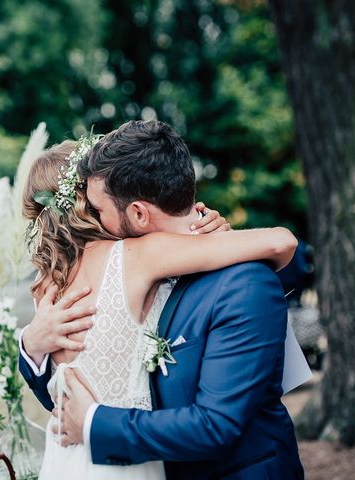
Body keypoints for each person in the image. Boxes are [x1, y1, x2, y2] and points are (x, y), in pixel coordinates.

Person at [19, 121, 300, 479]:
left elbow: (59, 402)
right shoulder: (136, 256)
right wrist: (31, 345)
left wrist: (30, 346)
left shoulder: (47, 288)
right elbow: (281, 241)